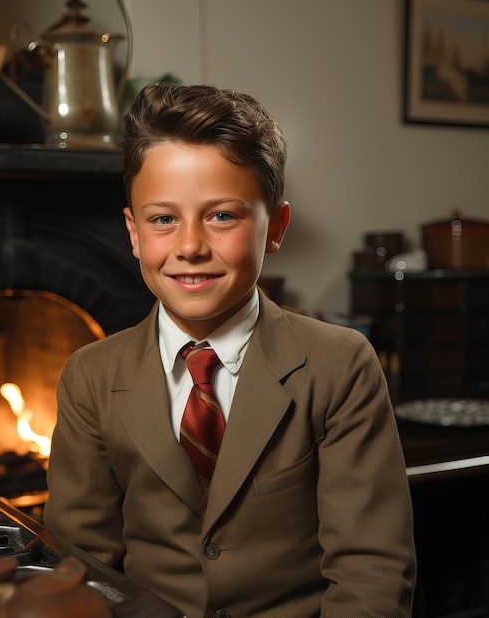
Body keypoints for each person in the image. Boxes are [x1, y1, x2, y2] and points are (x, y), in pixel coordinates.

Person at [44, 83, 416, 617]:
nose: (190, 247)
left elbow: (372, 569)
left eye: (222, 216)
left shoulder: (341, 364)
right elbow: (81, 568)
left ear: (275, 228)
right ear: (133, 232)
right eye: (163, 219)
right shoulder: (91, 376)